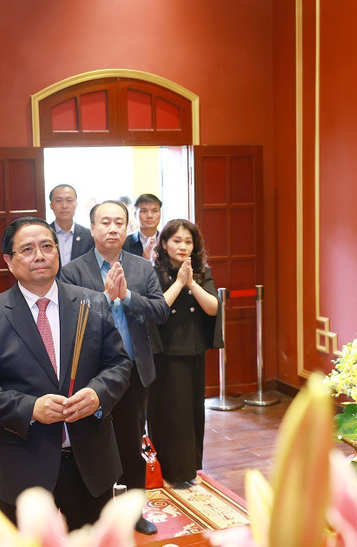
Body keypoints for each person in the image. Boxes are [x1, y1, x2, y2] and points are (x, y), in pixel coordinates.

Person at [0, 217, 132, 531]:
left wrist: (97, 395)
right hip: (23, 464)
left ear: (57, 253)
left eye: (47, 246)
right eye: (27, 249)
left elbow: (118, 364)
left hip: (90, 464)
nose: (39, 255)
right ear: (9, 262)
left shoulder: (91, 303)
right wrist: (30, 409)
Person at [60, 200, 170, 535]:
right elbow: (71, 318)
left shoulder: (141, 267)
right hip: (93, 374)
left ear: (127, 227)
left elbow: (161, 310)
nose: (112, 228)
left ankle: (134, 511)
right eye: (105, 222)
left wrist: (127, 297)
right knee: (93, 444)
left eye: (119, 222)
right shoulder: (73, 270)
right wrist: (106, 300)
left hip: (134, 371)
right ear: (91, 228)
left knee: (131, 441)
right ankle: (98, 510)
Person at [147, 219, 221, 489]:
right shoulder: (152, 273)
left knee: (191, 412)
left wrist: (191, 283)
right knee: (168, 411)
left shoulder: (202, 271)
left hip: (193, 349)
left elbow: (213, 307)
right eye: (176, 241)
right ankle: (167, 467)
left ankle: (188, 468)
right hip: (164, 351)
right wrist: (179, 283)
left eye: (188, 241)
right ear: (164, 244)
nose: (183, 246)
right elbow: (158, 308)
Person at [49, 184, 94, 265]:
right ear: (51, 205)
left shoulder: (89, 236)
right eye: (58, 200)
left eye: (69, 200)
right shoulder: (45, 234)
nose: (64, 206)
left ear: (76, 204)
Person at [123, 194, 162, 260]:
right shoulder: (125, 243)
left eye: (154, 211)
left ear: (160, 213)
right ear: (135, 214)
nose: (149, 216)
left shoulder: (166, 241)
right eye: (144, 211)